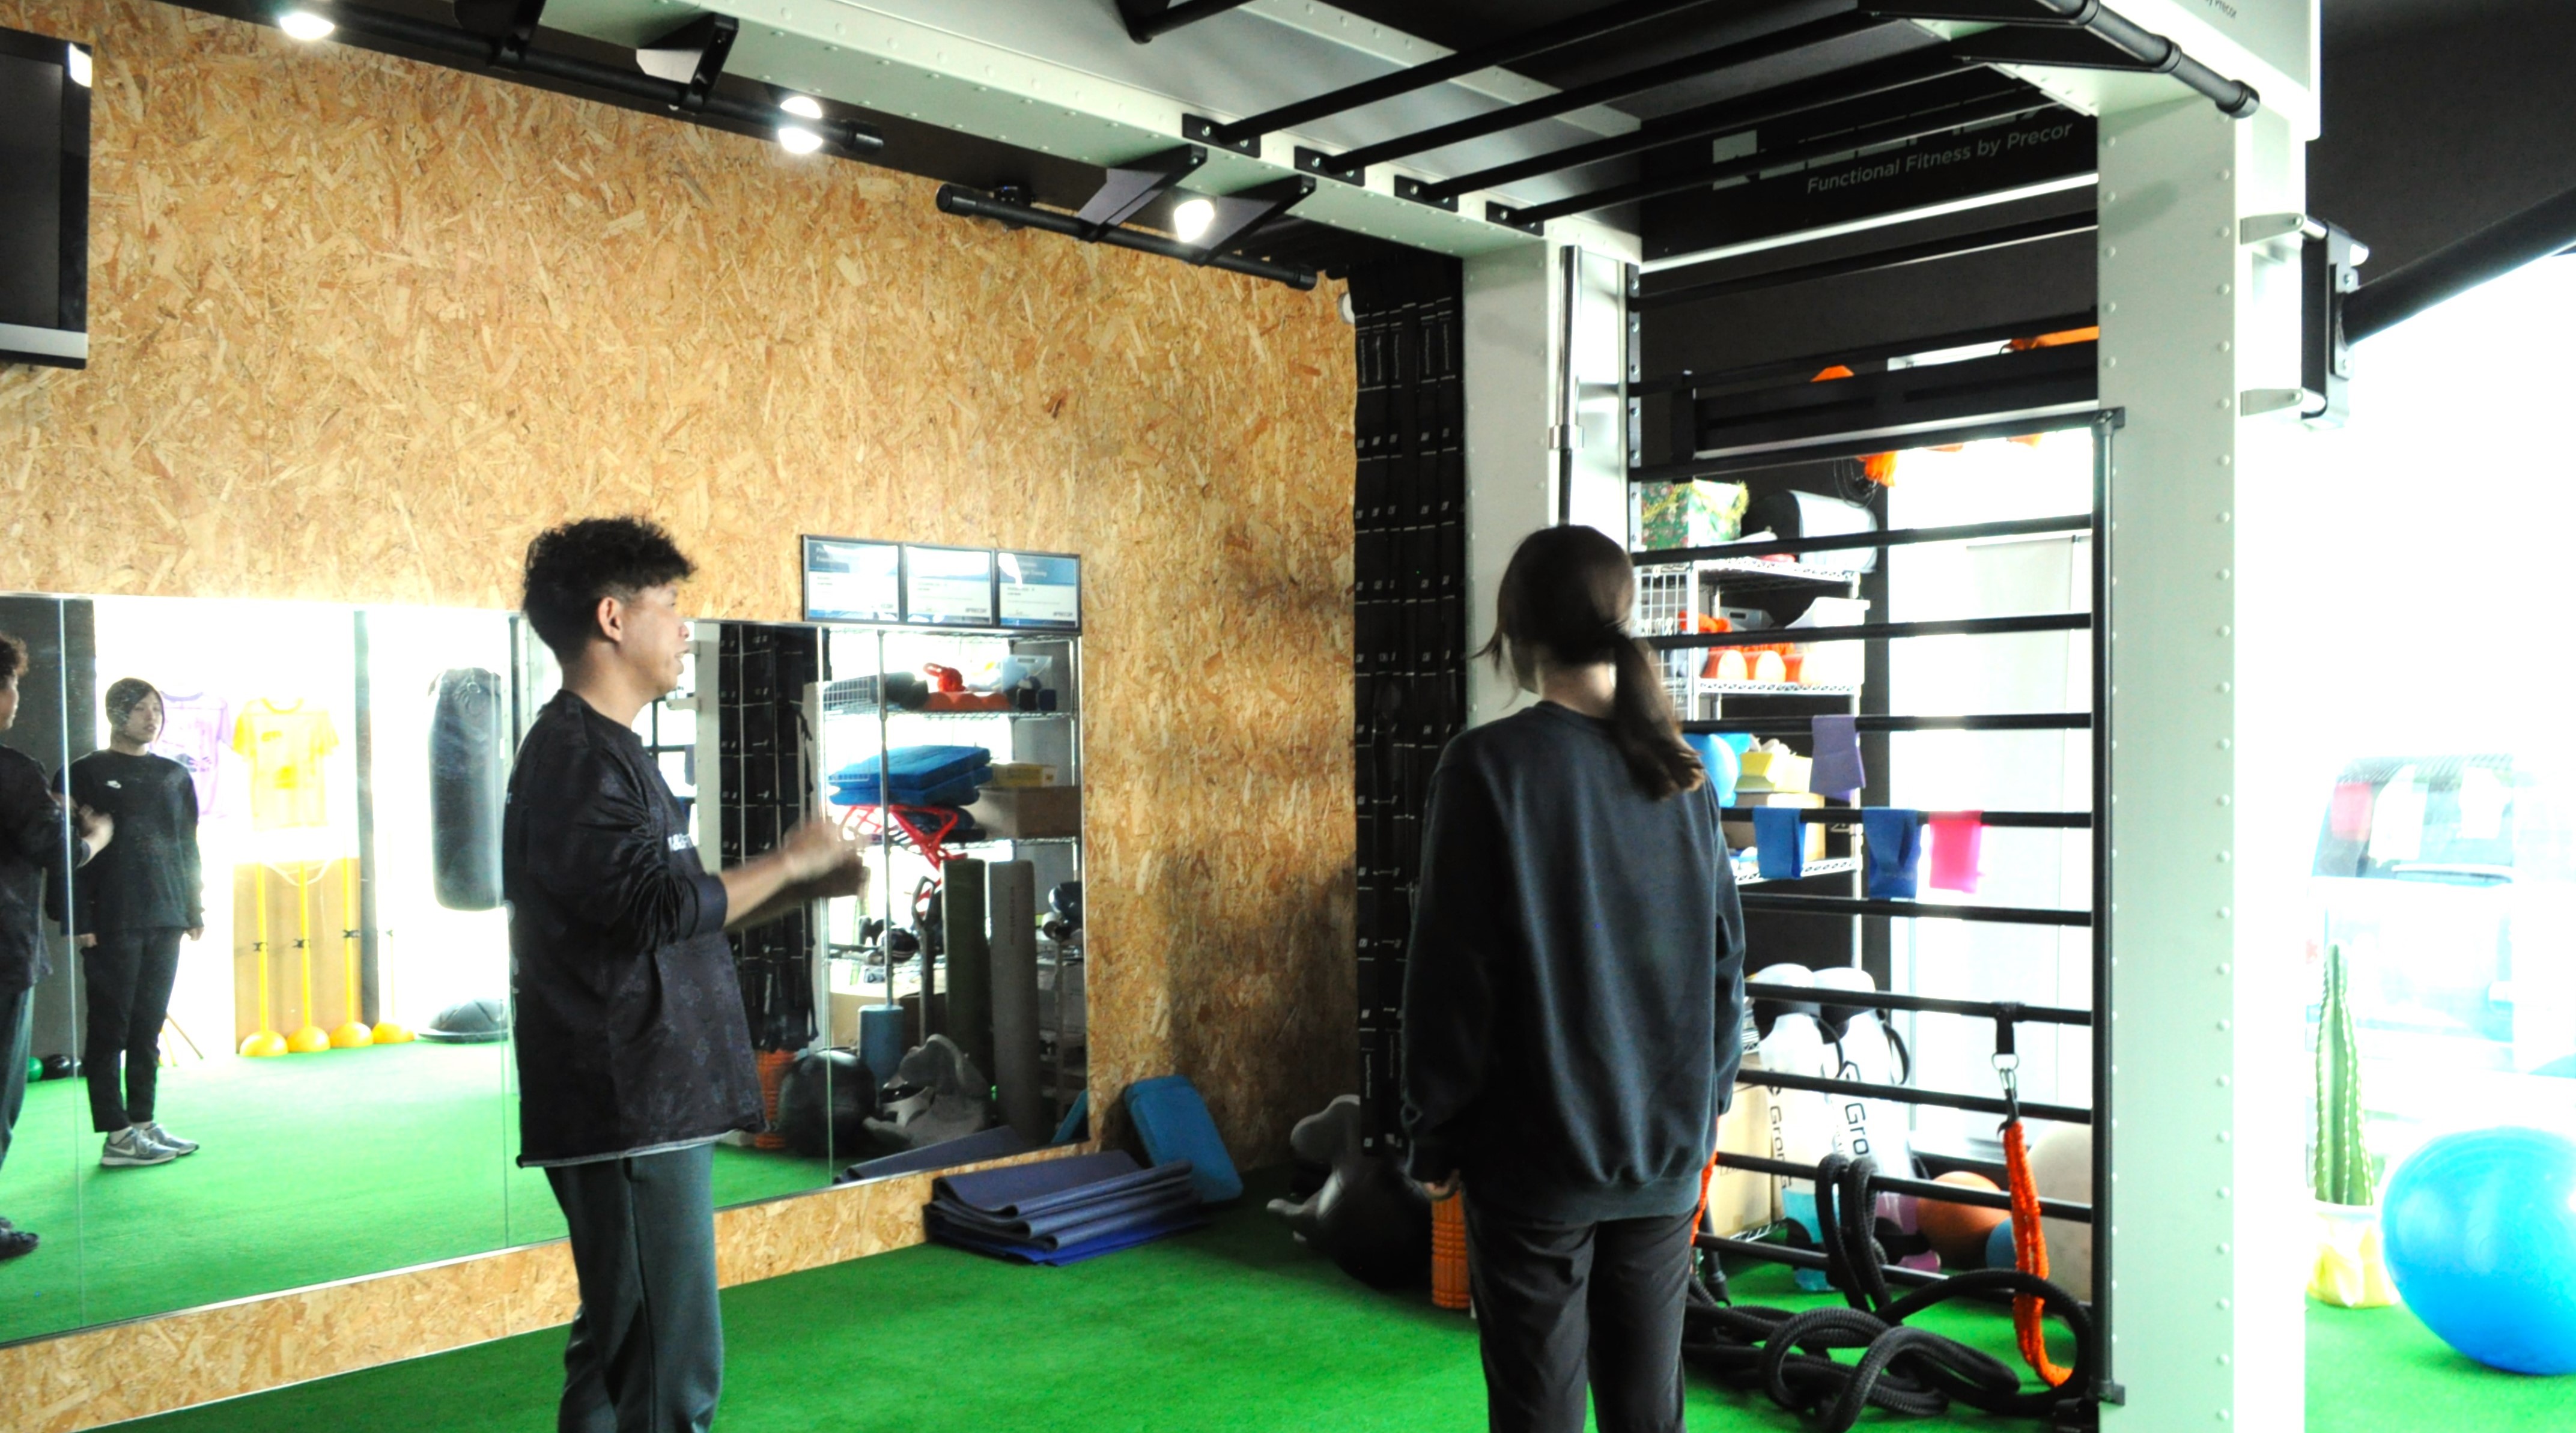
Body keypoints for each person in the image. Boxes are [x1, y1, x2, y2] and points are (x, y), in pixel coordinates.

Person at [507, 517, 865, 1433]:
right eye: (669, 605)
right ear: (613, 618)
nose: (683, 626)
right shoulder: (578, 758)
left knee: (618, 1352)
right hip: (629, 1107)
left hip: (644, 1101)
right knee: (670, 1372)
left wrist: (798, 886)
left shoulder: (612, 749)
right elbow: (657, 910)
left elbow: (661, 915)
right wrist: (788, 860)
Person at [1400, 524, 1748, 1433]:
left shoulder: (1485, 767)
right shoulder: (1683, 777)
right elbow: (1725, 965)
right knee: (1647, 1412)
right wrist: (1704, 1106)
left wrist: (1433, 1135)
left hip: (1535, 1161)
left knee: (1537, 1411)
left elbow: (1452, 977)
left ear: (1516, 633)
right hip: (1663, 1153)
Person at [61, 677, 202, 1169]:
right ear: (116, 714)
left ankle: (142, 1122)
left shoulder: (174, 775)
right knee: (109, 1028)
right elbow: (65, 854)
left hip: (165, 915)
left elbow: (187, 846)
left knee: (147, 1026)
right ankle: (116, 1135)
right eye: (140, 709)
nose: (151, 718)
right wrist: (77, 918)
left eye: (156, 709)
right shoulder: (84, 773)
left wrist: (193, 909)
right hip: (111, 919)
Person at [1, 633, 111, 1259]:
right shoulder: (12, 769)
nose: (17, 700)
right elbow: (57, 853)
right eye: (13, 686)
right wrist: (92, 835)